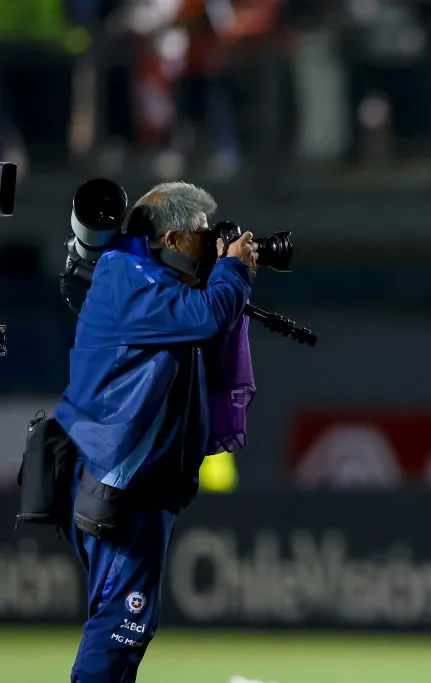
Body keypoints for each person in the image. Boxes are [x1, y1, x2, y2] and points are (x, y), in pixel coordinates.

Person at [53, 182, 258, 682]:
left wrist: (222, 272)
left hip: (137, 483)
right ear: (171, 239)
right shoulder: (128, 274)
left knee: (127, 620)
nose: (211, 243)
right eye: (201, 235)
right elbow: (207, 317)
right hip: (120, 481)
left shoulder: (157, 284)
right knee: (122, 620)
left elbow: (203, 322)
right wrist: (231, 270)